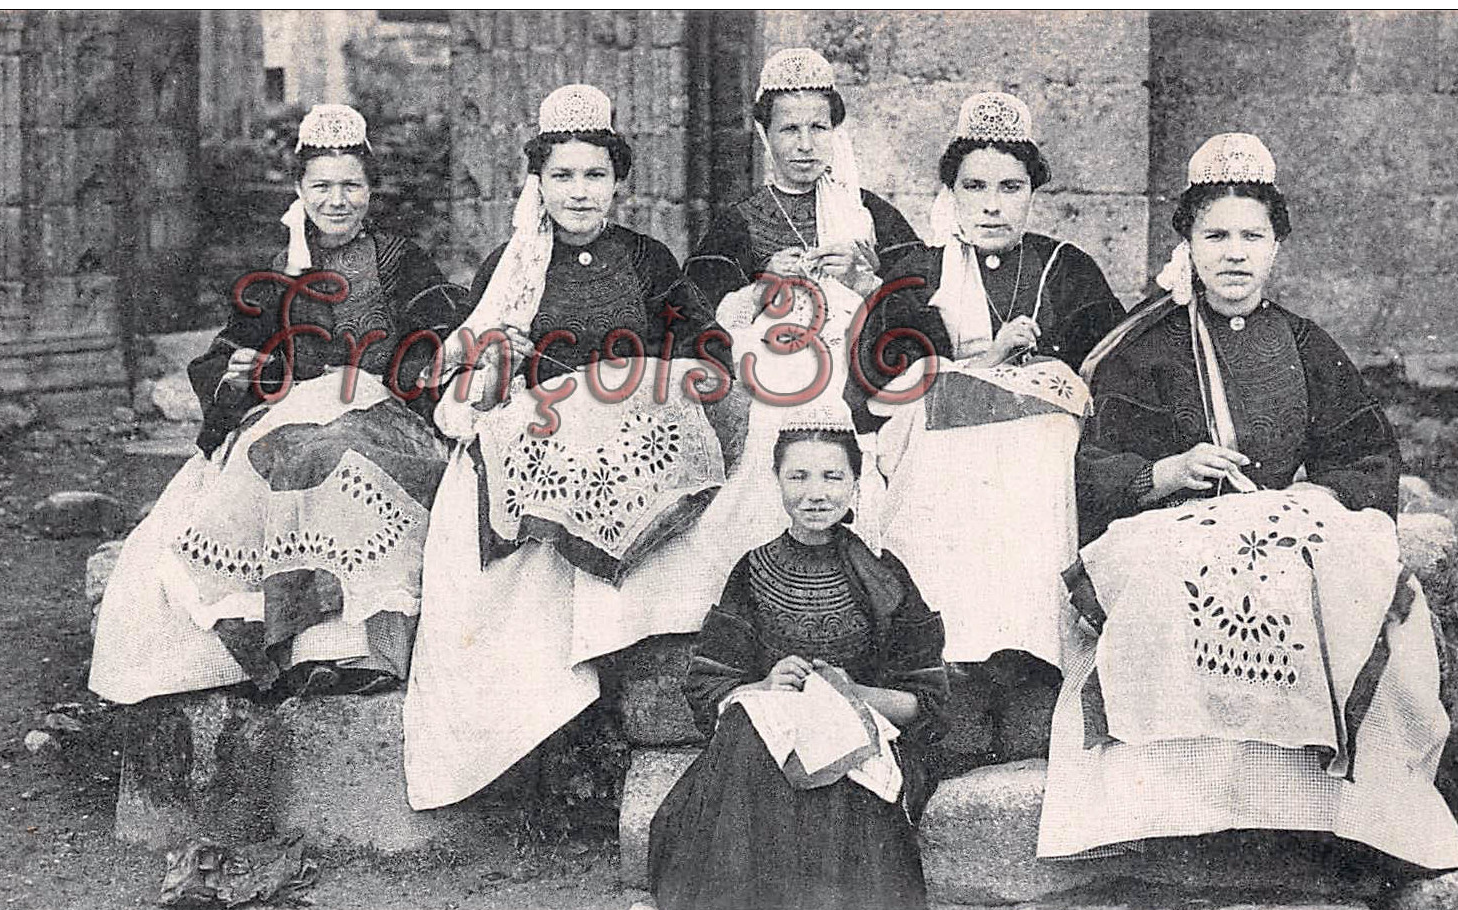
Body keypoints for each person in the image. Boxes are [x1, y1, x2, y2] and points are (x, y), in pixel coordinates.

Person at [1036, 134, 1458, 871]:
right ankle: (1169, 812)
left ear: (1277, 247)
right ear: (1187, 244)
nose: (1233, 253)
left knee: (1341, 577)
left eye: (1251, 235)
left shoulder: (1304, 344)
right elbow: (1093, 462)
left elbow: (1363, 455)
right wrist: (1167, 471)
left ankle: (1321, 814)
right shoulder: (1146, 347)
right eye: (1215, 235)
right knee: (1166, 581)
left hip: (1281, 520)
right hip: (1166, 524)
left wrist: (1314, 499)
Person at [402, 85, 738, 811]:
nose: (579, 192)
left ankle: (634, 659)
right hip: (545, 434)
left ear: (618, 181)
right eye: (562, 176)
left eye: (593, 176)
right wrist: (503, 350)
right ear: (539, 183)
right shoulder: (512, 262)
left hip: (632, 428)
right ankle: (552, 726)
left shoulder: (647, 258)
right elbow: (474, 375)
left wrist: (678, 367)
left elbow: (706, 342)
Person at [90, 105, 470, 703]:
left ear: (372, 190)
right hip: (290, 413)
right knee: (284, 460)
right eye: (322, 186)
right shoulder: (276, 267)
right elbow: (230, 351)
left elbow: (438, 337)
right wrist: (240, 372)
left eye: (351, 185)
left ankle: (357, 647)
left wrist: (429, 366)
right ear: (300, 190)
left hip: (385, 413)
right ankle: (291, 648)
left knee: (342, 457)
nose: (337, 200)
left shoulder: (402, 260)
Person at [854, 92, 1125, 764]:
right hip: (941, 452)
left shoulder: (1067, 269)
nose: (992, 205)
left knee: (1043, 447)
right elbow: (869, 391)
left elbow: (1110, 373)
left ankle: (1034, 669)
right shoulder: (916, 274)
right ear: (950, 191)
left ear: (1033, 191)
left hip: (1042, 456)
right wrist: (976, 363)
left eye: (1010, 187)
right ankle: (957, 678)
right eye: (973, 187)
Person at [648, 415, 949, 910]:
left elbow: (926, 700)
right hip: (766, 745)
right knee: (746, 727)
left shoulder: (883, 574)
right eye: (799, 477)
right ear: (777, 482)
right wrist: (763, 686)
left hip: (863, 741)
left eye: (833, 478)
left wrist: (851, 692)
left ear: (856, 485)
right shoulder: (753, 570)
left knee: (826, 752)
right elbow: (710, 682)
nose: (816, 494)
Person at [687, 48, 922, 557]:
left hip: (861, 365)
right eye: (789, 130)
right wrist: (760, 286)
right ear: (764, 135)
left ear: (836, 132)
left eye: (819, 128)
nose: (805, 145)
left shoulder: (870, 214)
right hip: (774, 369)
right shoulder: (741, 221)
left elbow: (923, 305)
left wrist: (865, 281)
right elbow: (697, 312)